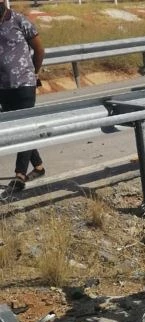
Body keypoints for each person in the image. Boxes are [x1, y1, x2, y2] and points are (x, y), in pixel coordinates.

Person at [0, 1, 46, 193]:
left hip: (25, 83)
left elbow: (39, 49)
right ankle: (39, 167)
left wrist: (34, 73)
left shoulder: (19, 20)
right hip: (3, 87)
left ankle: (20, 174)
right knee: (16, 128)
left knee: (24, 126)